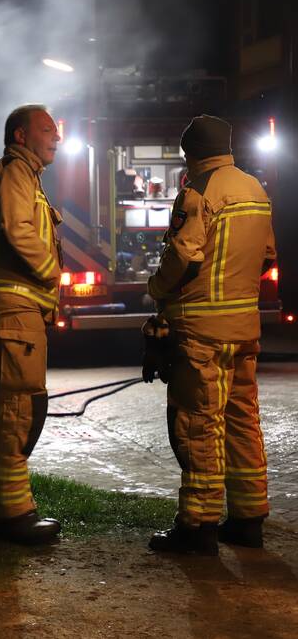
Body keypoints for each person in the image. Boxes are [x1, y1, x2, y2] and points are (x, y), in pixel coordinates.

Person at [146, 115, 276, 555]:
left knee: (199, 423)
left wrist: (157, 289)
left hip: (203, 331)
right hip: (245, 328)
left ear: (191, 154)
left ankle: (198, 526)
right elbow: (268, 254)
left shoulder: (199, 190)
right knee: (243, 420)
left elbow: (184, 254)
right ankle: (248, 519)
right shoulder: (255, 190)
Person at [0, 104, 63, 545]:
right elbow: (16, 229)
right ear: (20, 136)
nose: (57, 137)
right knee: (16, 411)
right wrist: (52, 273)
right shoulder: (14, 173)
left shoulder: (23, 175)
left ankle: (13, 511)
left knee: (15, 410)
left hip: (12, 311)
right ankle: (11, 519)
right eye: (47, 129)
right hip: (12, 312)